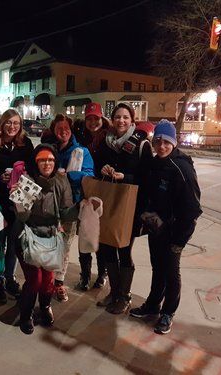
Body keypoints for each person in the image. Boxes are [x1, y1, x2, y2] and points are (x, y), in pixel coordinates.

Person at [130, 120, 202, 334]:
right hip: (157, 228)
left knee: (171, 273)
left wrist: (180, 241)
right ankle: (153, 305)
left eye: (166, 142)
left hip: (174, 233)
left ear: (174, 142)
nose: (161, 146)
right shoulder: (154, 164)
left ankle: (168, 312)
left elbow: (193, 210)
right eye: (158, 141)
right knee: (157, 269)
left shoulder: (182, 168)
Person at [13, 144, 79, 334]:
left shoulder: (61, 181)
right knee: (35, 279)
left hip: (50, 236)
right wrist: (20, 203)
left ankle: (44, 307)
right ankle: (25, 315)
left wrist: (80, 206)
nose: (47, 163)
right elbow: (23, 217)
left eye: (50, 159)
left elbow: (66, 213)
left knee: (49, 278)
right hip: (28, 235)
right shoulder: (27, 180)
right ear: (36, 162)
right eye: (42, 159)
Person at [94, 103, 153, 314]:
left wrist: (125, 177)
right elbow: (96, 166)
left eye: (125, 117)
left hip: (130, 207)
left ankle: (125, 296)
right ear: (112, 119)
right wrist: (102, 168)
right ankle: (114, 292)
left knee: (124, 250)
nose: (121, 121)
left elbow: (148, 179)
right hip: (108, 203)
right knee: (108, 248)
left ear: (132, 120)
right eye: (118, 117)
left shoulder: (141, 144)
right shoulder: (105, 142)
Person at [48, 114, 94, 302]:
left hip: (70, 205)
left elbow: (89, 175)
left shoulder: (81, 152)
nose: (63, 132)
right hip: (49, 205)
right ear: (54, 131)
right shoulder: (51, 150)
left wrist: (68, 175)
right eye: (59, 129)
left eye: (66, 128)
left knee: (65, 246)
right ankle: (47, 279)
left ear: (71, 129)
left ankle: (59, 282)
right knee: (49, 243)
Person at [0, 109, 34, 303]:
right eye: (8, 122)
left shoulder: (25, 145)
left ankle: (10, 277)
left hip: (19, 201)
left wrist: (22, 177)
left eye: (16, 123)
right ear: (2, 123)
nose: (12, 126)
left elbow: (33, 171)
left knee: (14, 243)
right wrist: (1, 177)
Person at [74, 102, 110, 291]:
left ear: (102, 119)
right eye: (89, 118)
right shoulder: (80, 137)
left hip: (103, 191)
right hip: (84, 191)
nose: (93, 122)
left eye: (96, 118)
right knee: (84, 236)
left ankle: (102, 274)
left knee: (100, 238)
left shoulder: (109, 138)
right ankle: (85, 275)